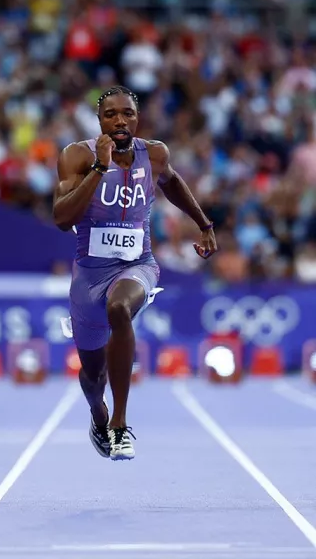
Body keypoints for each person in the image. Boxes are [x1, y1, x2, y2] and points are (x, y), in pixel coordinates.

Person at [53, 86, 217, 461]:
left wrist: (204, 224)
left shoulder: (154, 153)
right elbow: (63, 218)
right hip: (89, 277)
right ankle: (99, 414)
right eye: (111, 114)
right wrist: (99, 166)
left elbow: (171, 181)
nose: (120, 121)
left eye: (127, 113)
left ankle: (120, 424)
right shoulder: (76, 156)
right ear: (99, 120)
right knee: (92, 377)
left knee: (120, 309)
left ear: (137, 117)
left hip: (137, 265)